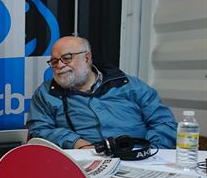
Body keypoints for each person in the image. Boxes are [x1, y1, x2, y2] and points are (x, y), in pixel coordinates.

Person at [27, 36, 177, 149]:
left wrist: (150, 152)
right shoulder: (45, 93)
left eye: (67, 58)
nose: (59, 65)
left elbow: (164, 122)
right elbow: (39, 132)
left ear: (87, 57)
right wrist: (77, 143)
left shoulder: (131, 86)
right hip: (83, 164)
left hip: (139, 157)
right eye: (54, 61)